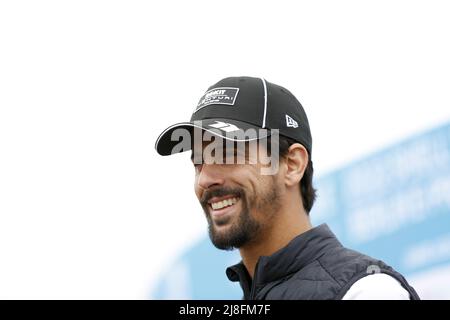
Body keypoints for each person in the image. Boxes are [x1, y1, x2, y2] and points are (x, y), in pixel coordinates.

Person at [155, 76, 420, 300]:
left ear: (292, 165)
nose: (204, 179)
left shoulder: (366, 291)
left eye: (226, 154)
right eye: (198, 163)